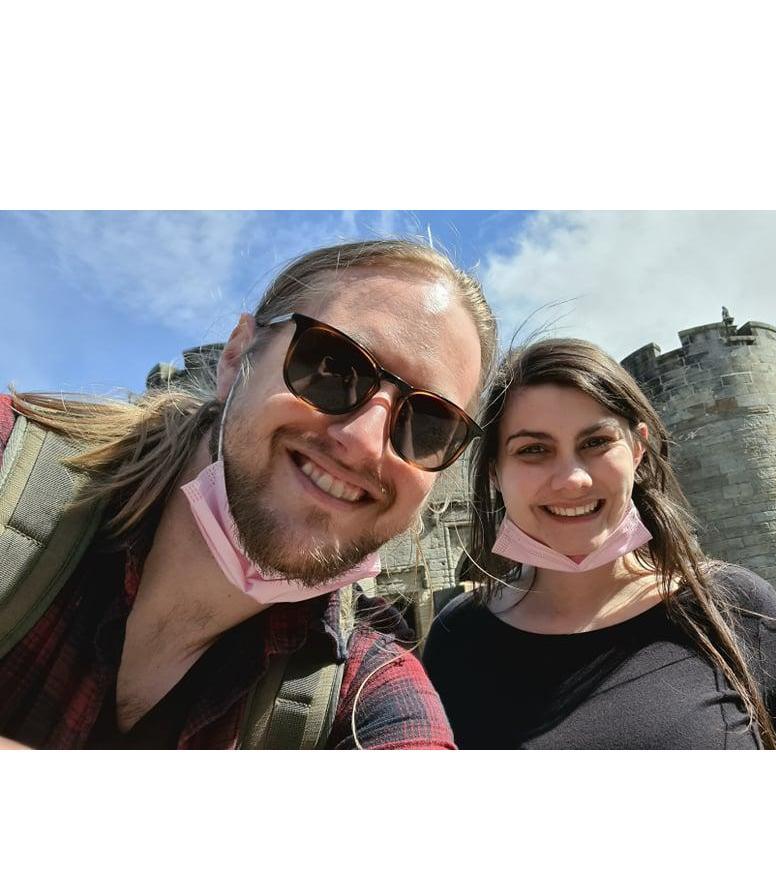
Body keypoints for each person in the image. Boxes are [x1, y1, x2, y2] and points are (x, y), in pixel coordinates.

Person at [0, 239, 497, 749]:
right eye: (332, 366)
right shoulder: (10, 470)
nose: (364, 444)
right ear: (237, 357)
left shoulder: (369, 695)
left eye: (431, 424)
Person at [423, 338, 776, 749]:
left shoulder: (738, 607)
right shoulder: (457, 635)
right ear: (495, 471)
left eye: (596, 442)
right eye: (533, 450)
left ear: (638, 449)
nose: (573, 479)